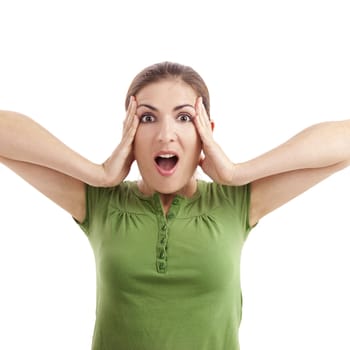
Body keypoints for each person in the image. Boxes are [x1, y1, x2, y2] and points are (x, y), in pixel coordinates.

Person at [0, 61, 349, 350]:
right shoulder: (99, 203)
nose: (166, 134)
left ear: (205, 134)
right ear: (129, 135)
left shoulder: (238, 203)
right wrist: (99, 173)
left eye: (184, 118)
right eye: (147, 118)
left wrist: (237, 171)